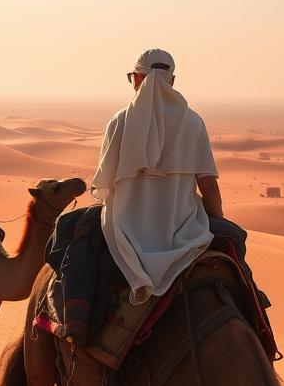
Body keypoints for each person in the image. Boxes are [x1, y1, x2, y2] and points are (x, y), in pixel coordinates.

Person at [91, 49, 224, 305]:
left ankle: (75, 319)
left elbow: (104, 187)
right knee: (236, 246)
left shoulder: (119, 122)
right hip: (186, 233)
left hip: (124, 233)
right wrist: (219, 223)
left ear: (138, 79)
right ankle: (257, 314)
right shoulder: (194, 122)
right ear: (172, 81)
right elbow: (208, 185)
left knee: (71, 240)